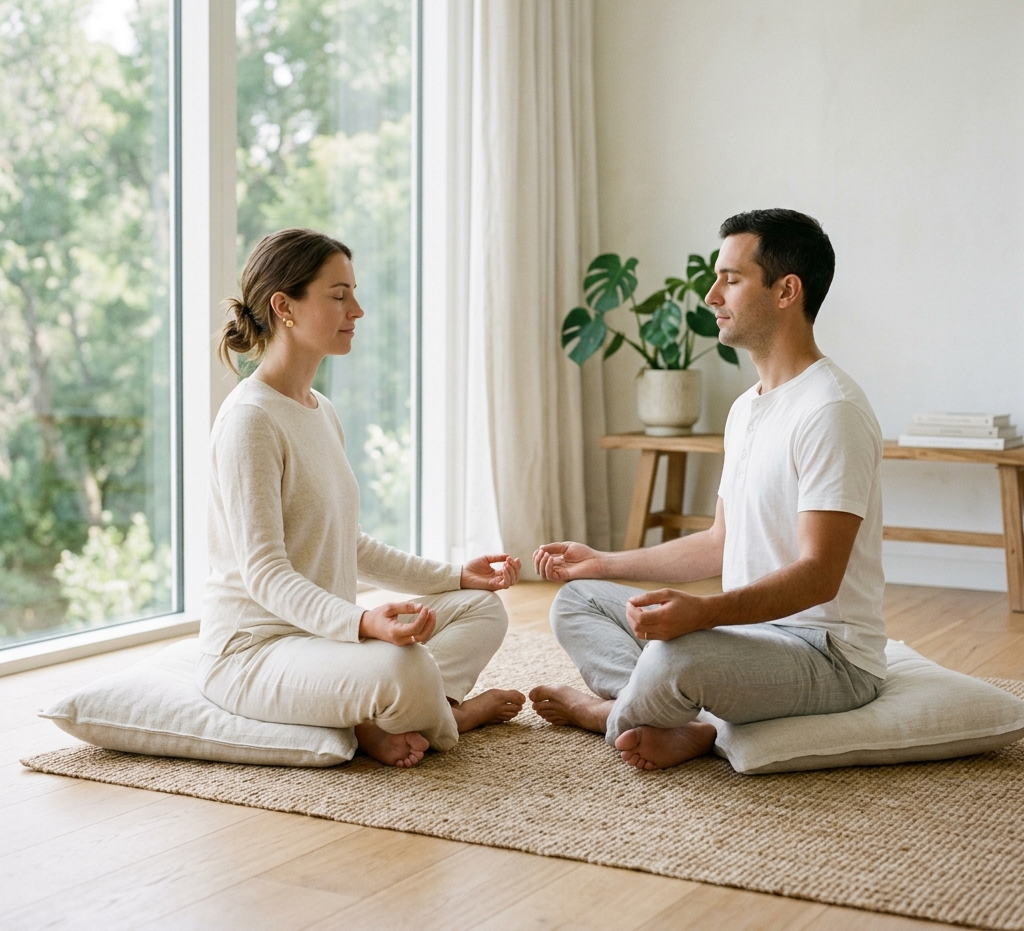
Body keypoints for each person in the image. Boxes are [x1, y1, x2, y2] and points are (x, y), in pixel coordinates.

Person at [530, 209, 887, 771]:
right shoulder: (747, 408)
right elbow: (720, 543)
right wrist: (600, 563)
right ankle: (686, 721)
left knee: (678, 655)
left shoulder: (830, 410)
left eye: (732, 278)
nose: (710, 295)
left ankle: (605, 713)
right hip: (752, 636)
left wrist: (703, 615)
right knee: (578, 602)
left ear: (786, 290)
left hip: (828, 656)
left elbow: (821, 574)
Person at [196, 228, 525, 768]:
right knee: (408, 666)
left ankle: (393, 716)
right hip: (254, 654)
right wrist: (364, 623)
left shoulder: (319, 409)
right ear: (285, 307)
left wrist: (457, 577)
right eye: (339, 294)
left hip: (323, 640)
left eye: (354, 292)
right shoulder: (249, 421)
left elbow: (349, 545)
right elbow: (265, 574)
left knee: (482, 609)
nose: (359, 309)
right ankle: (450, 717)